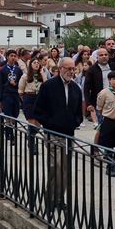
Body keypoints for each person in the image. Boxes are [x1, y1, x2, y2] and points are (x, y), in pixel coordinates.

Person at [31, 58, 83, 214]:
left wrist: (75, 122)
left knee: (66, 169)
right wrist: (50, 124)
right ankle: (51, 200)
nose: (71, 72)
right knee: (56, 167)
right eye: (68, 69)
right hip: (53, 133)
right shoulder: (49, 86)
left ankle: (60, 199)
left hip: (69, 134)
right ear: (60, 68)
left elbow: (78, 111)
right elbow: (38, 110)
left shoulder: (75, 88)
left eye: (73, 69)